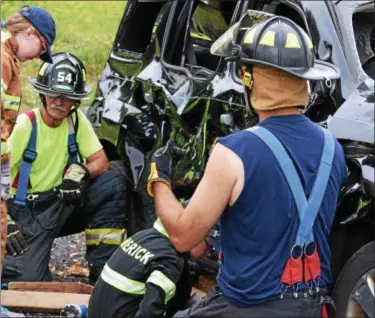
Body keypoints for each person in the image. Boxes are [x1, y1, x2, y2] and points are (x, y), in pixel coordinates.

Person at [146, 12, 347, 317]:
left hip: (244, 308)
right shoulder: (333, 149)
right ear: (305, 79)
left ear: (249, 78)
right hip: (312, 307)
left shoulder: (234, 152)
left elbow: (184, 237)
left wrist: (158, 180)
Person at [2, 52, 127, 285]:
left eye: (67, 97)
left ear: (76, 101)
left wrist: (78, 172)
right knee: (29, 279)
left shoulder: (76, 120)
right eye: (54, 95)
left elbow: (101, 161)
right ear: (43, 93)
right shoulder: (24, 127)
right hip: (25, 212)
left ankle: (103, 276)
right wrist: (5, 222)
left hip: (59, 203)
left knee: (113, 180)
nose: (59, 102)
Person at [1, 6, 55, 317]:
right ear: (30, 33)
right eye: (42, 48)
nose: (37, 57)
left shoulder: (7, 55)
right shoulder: (2, 58)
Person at [88, 217, 208, 317]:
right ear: (195, 234)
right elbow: (149, 312)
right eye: (209, 244)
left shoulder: (144, 236)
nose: (208, 252)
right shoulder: (170, 259)